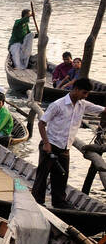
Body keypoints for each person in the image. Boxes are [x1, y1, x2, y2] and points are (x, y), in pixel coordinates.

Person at [34, 78, 106, 208]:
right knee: (42, 175)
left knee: (62, 176)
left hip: (65, 147)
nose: (86, 96)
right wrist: (46, 143)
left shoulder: (82, 105)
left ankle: (59, 202)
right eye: (84, 92)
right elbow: (41, 123)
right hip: (50, 145)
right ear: (76, 89)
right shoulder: (58, 104)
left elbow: (102, 110)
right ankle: (38, 202)